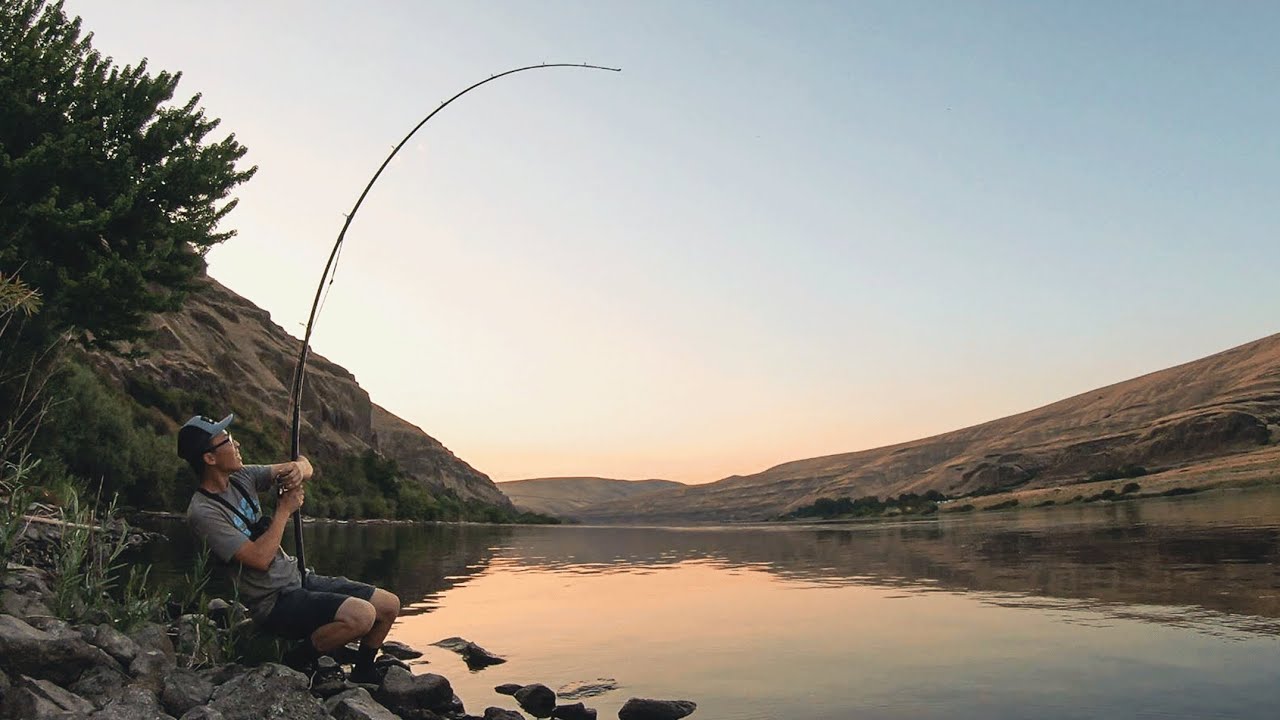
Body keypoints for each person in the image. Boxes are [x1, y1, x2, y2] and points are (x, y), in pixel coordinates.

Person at [178, 413, 400, 683]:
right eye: (227, 440)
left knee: (389, 605)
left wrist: (298, 469)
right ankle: (295, 660)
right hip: (272, 602)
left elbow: (306, 466)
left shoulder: (242, 477)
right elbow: (259, 559)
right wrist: (284, 510)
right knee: (362, 616)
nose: (236, 445)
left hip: (298, 578)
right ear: (209, 458)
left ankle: (364, 671)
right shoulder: (203, 512)